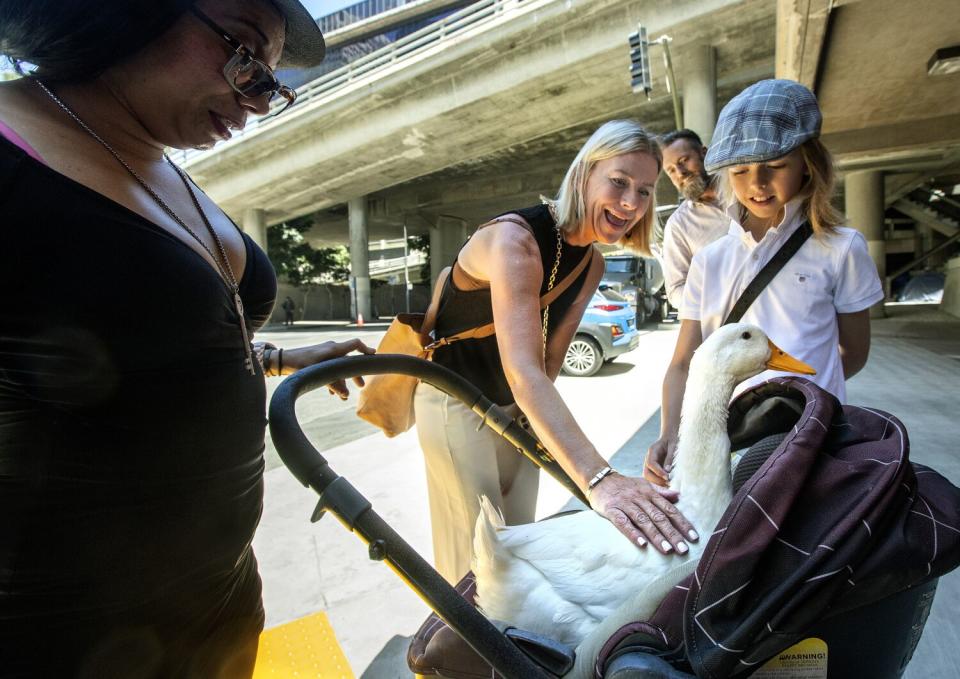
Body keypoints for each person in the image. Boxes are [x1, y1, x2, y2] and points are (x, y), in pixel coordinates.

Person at [0, 2, 373, 676]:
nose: (257, 99)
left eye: (268, 80)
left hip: (222, 608)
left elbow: (155, 350)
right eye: (245, 55)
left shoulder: (152, 157)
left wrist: (283, 355)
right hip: (61, 639)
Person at [411, 120, 699, 584]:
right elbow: (525, 371)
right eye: (619, 182)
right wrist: (600, 480)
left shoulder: (591, 262)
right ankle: (459, 653)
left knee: (520, 545)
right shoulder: (516, 239)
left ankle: (508, 651)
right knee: (477, 560)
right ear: (585, 174)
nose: (631, 203)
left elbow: (547, 364)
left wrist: (543, 434)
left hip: (512, 407)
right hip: (454, 401)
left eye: (645, 191)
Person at [644, 79, 884, 488]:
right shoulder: (710, 260)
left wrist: (802, 391)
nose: (756, 183)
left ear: (807, 162)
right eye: (740, 170)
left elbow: (854, 352)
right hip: (724, 444)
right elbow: (684, 361)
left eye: (774, 166)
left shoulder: (841, 248)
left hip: (812, 444)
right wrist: (669, 432)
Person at [658, 129, 730, 308]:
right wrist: (719, 292)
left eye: (683, 161)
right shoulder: (678, 226)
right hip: (730, 323)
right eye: (671, 170)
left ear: (704, 153)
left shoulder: (744, 188)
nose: (680, 173)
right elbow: (675, 292)